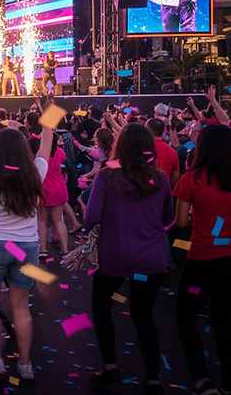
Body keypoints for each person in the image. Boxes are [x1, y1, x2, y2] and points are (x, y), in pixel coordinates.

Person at [84, 123, 173, 393]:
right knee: (143, 315)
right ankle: (154, 378)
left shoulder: (106, 177)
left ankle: (111, 367)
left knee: (101, 306)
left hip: (115, 258)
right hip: (150, 261)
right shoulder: (160, 179)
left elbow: (92, 218)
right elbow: (168, 219)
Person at [0, 122, 54, 380]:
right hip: (27, 247)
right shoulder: (36, 172)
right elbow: (46, 144)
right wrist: (49, 112)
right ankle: (26, 365)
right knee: (21, 304)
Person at [173, 124, 231, 395]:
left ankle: (201, 379)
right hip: (229, 262)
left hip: (202, 261)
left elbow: (181, 221)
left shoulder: (190, 179)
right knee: (224, 319)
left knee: (185, 314)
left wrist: (202, 218)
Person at [36, 133, 71, 259]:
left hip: (43, 189)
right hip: (59, 187)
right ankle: (65, 249)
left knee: (42, 220)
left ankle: (43, 249)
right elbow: (62, 163)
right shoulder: (60, 152)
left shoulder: (40, 155)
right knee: (58, 220)